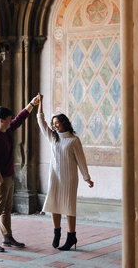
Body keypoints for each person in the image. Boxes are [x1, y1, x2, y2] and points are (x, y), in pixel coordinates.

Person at [37, 94, 94, 251]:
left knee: (69, 206)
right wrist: (40, 103)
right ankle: (57, 232)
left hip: (69, 179)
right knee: (54, 204)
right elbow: (41, 122)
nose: (55, 126)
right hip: (54, 177)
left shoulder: (74, 140)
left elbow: (81, 161)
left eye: (57, 123)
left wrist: (87, 178)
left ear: (64, 123)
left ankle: (71, 236)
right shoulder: (52, 138)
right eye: (53, 123)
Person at [0, 94, 41, 252]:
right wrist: (0, 181)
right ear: (1, 120)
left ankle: (7, 237)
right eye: (8, 119)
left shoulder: (6, 131)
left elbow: (19, 119)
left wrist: (32, 104)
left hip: (7, 176)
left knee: (7, 207)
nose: (11, 121)